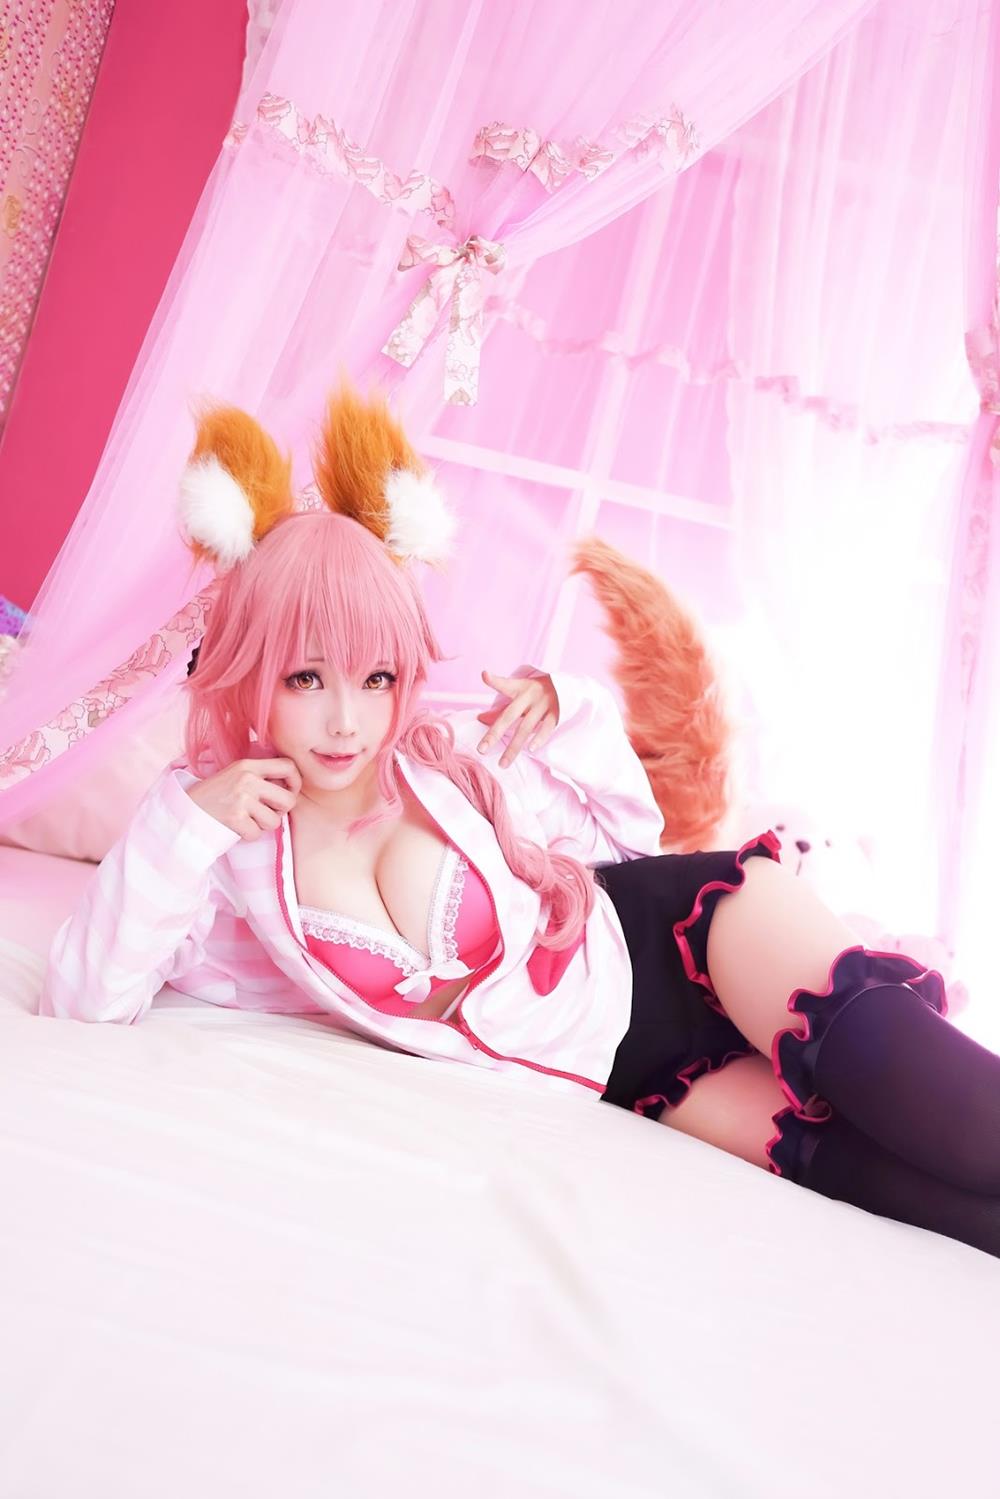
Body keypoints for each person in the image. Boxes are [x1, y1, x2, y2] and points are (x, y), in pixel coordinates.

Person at [39, 383, 1000, 1262]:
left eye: (375, 677)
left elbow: (629, 829)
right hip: (629, 1069)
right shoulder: (224, 848)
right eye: (306, 678)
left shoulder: (448, 758)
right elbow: (86, 1000)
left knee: (933, 1106)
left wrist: (567, 706)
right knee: (900, 1191)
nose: (345, 721)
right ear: (253, 672)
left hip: (681, 936)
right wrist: (184, 822)